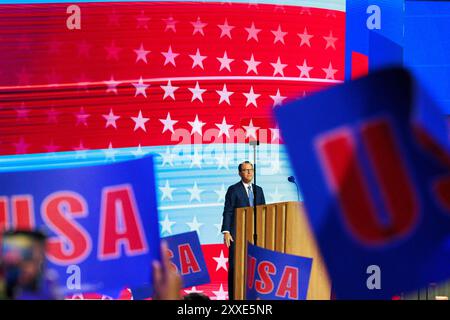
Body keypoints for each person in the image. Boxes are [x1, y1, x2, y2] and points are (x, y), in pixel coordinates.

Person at [221, 161, 265, 300]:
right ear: (240, 173)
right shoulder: (233, 190)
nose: (249, 172)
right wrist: (226, 231)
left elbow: (264, 211)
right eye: (245, 170)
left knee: (255, 265)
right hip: (237, 234)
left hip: (256, 234)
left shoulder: (259, 189)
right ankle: (234, 297)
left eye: (251, 170)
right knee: (236, 266)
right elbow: (228, 211)